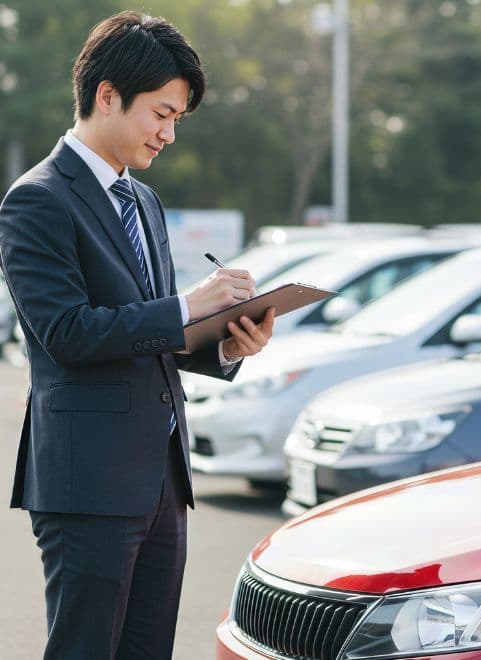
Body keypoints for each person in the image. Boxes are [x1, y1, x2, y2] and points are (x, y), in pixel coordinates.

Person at [0, 11, 274, 660]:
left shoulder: (143, 202)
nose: (170, 133)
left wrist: (226, 344)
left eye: (177, 117)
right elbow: (66, 333)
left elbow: (148, 329)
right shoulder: (35, 199)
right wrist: (187, 304)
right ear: (106, 96)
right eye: (162, 113)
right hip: (88, 484)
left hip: (161, 480)